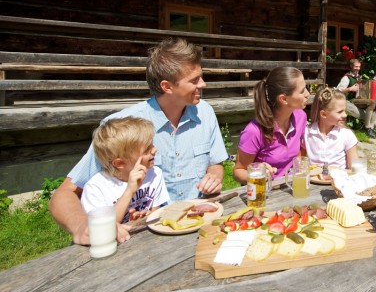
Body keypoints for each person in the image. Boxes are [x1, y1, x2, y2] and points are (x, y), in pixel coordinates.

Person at [49, 38, 229, 245]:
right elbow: (65, 193)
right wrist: (81, 226)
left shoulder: (205, 112)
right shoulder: (123, 128)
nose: (203, 84)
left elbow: (215, 164)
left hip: (198, 226)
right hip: (141, 240)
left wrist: (214, 176)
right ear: (167, 86)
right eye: (194, 80)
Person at [81, 117, 170, 223]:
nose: (154, 150)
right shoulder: (96, 188)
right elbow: (103, 228)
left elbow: (155, 215)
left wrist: (145, 218)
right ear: (120, 163)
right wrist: (129, 190)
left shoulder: (154, 173)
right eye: (146, 149)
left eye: (152, 145)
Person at [234, 66, 309, 183]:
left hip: (292, 188)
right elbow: (238, 171)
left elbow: (300, 150)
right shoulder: (254, 131)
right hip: (264, 193)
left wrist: (298, 168)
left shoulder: (301, 117)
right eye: (302, 91)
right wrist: (257, 173)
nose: (307, 94)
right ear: (284, 99)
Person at [303, 87, 359, 169]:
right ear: (324, 114)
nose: (345, 115)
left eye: (344, 111)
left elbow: (354, 167)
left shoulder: (346, 134)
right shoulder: (307, 133)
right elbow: (300, 161)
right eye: (340, 112)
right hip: (313, 180)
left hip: (338, 180)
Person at [336, 59, 376, 139]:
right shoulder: (347, 78)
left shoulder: (358, 77)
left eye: (359, 67)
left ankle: (371, 127)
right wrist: (350, 89)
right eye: (356, 66)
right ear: (351, 66)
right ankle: (367, 127)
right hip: (350, 100)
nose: (358, 68)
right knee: (371, 103)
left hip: (359, 99)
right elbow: (338, 90)